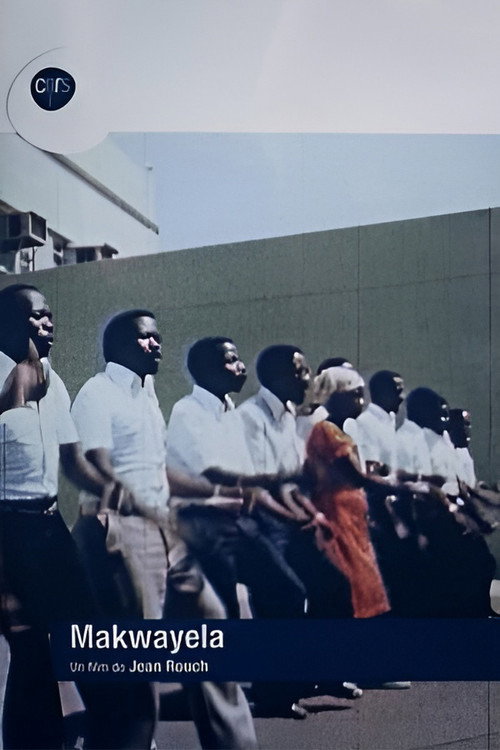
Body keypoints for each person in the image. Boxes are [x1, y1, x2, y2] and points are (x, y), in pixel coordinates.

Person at [71, 311, 258, 749]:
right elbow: (97, 466)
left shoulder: (147, 393)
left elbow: (158, 469)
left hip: (164, 530)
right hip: (121, 530)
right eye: (146, 338)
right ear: (119, 345)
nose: (157, 344)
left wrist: (213, 493)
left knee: (210, 626)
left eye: (157, 337)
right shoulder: (97, 393)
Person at [0, 284, 135, 750]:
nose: (49, 323)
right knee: (32, 650)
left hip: (49, 526)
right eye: (37, 317)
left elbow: (73, 462)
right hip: (7, 531)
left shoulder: (53, 380)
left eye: (50, 315)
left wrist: (114, 491)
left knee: (86, 637)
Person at [166, 336, 307, 621]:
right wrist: (276, 478)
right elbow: (214, 472)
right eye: (231, 361)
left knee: (288, 591)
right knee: (225, 609)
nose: (242, 367)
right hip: (201, 523)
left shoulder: (230, 409)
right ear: (207, 370)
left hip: (237, 520)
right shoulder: (187, 410)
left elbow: (246, 480)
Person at [305, 366, 390, 618]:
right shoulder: (326, 431)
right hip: (337, 516)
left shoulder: (340, 431)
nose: (361, 402)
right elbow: (355, 477)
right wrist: (401, 485)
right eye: (354, 395)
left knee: (362, 581)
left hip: (351, 517)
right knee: (353, 582)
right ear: (335, 396)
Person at [344, 370, 404, 477]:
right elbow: (372, 472)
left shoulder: (389, 420)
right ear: (383, 394)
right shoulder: (364, 424)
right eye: (397, 392)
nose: (401, 398)